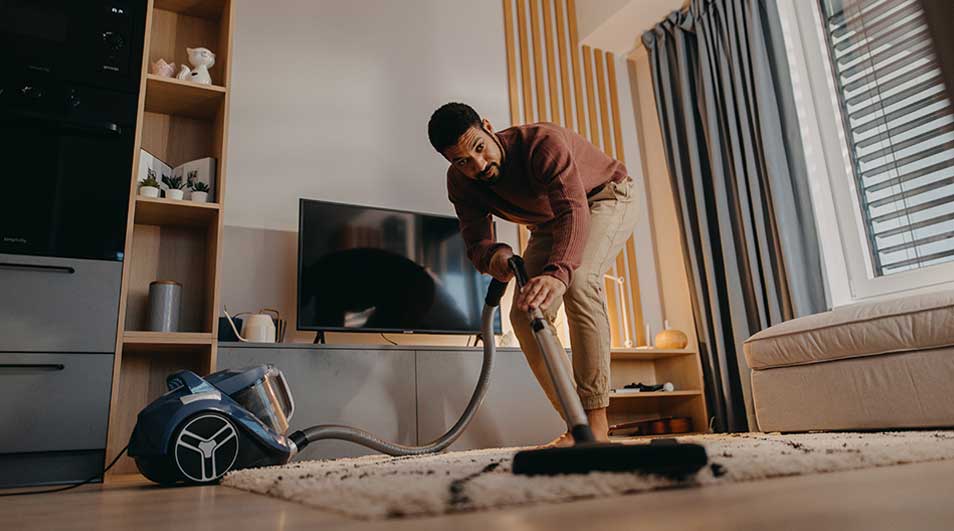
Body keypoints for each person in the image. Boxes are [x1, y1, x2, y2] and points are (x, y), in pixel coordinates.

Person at [428, 102, 639, 445]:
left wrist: (558, 273)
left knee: (580, 282)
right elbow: (477, 242)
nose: (478, 166)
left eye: (479, 148)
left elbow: (573, 209)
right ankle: (577, 423)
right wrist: (494, 257)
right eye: (462, 161)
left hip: (605, 198)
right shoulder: (460, 183)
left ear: (488, 126)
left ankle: (596, 424)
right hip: (547, 223)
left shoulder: (542, 143)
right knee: (525, 315)